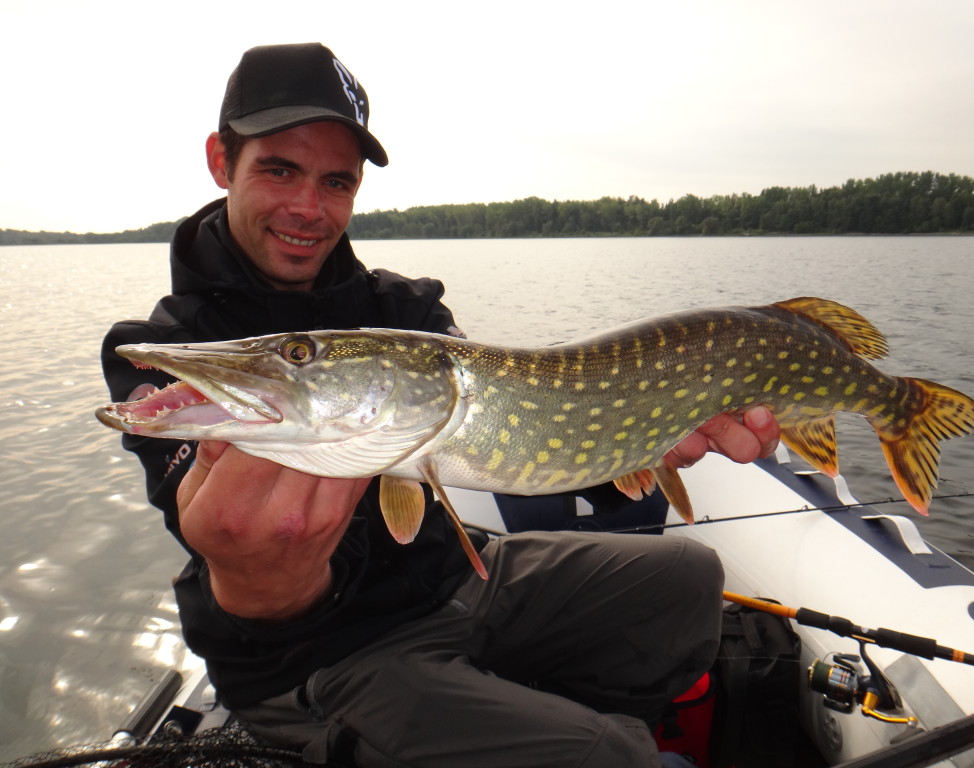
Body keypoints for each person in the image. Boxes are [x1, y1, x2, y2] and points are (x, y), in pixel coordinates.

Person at [100, 42, 780, 768]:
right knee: (619, 758)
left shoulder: (405, 310)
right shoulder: (158, 350)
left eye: (335, 181)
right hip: (322, 655)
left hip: (454, 581)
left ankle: (548, 718)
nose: (307, 206)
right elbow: (211, 524)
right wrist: (265, 587)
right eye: (278, 169)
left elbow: (517, 432)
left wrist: (642, 436)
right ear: (220, 161)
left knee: (688, 580)